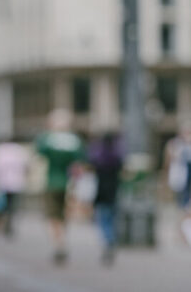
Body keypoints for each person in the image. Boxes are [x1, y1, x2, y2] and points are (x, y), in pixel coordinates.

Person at [35, 108, 83, 265]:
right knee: (63, 215)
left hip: (52, 182)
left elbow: (39, 153)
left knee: (53, 216)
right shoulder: (74, 141)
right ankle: (62, 240)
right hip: (69, 184)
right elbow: (79, 164)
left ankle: (58, 243)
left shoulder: (48, 139)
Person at [87, 132, 124, 265]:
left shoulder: (98, 158)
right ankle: (111, 239)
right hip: (114, 193)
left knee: (102, 221)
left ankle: (107, 241)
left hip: (101, 193)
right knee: (111, 219)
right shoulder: (117, 157)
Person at [0, 137, 29, 237]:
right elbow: (26, 167)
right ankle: (8, 223)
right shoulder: (19, 150)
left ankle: (3, 222)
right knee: (12, 205)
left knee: (2, 205)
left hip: (1, 183)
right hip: (16, 183)